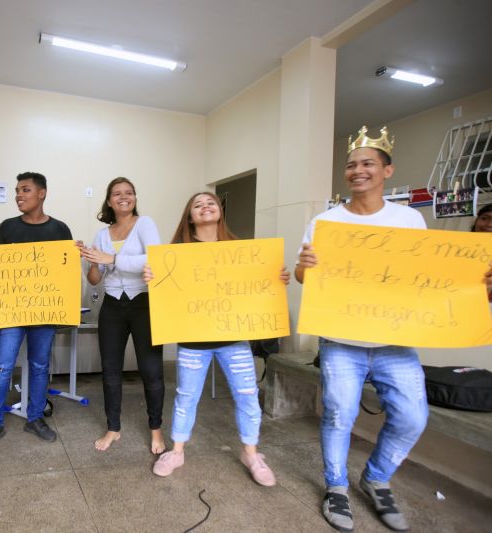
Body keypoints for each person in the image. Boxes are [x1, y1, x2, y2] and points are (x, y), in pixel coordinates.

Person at [294, 125, 492, 532]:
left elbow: (425, 277)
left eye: (367, 163)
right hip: (341, 340)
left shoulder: (408, 220)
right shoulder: (325, 221)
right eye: (351, 165)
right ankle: (336, 487)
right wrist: (305, 268)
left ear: (387, 170)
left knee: (412, 417)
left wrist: (476, 285)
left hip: (395, 341)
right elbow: (302, 275)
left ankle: (376, 477)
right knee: (337, 414)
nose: (357, 171)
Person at [145, 192, 286, 485]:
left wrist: (276, 279)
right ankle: (178, 451)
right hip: (193, 341)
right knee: (186, 396)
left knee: (247, 395)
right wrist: (152, 276)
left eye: (210, 202)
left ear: (220, 210)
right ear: (190, 216)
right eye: (197, 205)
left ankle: (251, 453)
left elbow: (259, 286)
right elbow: (167, 291)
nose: (205, 207)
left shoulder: (240, 249)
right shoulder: (176, 252)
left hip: (234, 338)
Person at [0, 172, 72, 452]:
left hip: (45, 313)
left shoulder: (60, 230)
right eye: (16, 191)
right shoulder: (8, 227)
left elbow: (65, 273)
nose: (18, 195)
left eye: (25, 190)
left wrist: (76, 256)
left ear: (42, 193)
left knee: (39, 367)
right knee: (1, 368)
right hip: (10, 313)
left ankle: (35, 418)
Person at [79, 177, 165, 453]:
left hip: (143, 303)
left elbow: (156, 258)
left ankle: (156, 430)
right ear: (109, 201)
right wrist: (88, 258)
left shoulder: (145, 224)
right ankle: (113, 429)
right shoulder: (102, 234)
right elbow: (94, 279)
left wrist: (113, 259)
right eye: (117, 194)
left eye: (129, 193)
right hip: (112, 306)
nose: (123, 197)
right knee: (110, 371)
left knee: (151, 371)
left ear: (135, 198)